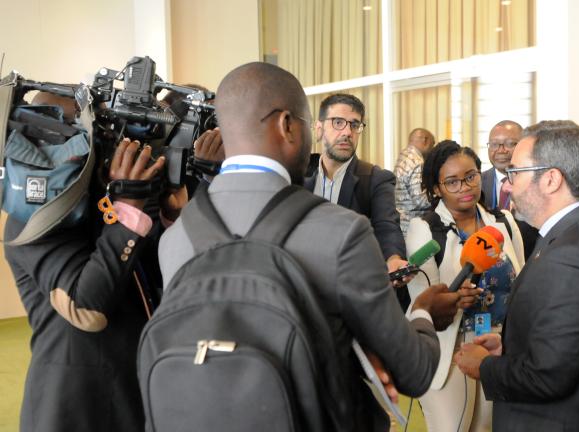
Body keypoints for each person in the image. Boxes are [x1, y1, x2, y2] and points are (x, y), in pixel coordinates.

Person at [157, 62, 456, 430]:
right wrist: (424, 313)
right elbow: (412, 371)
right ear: (288, 125)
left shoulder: (175, 237)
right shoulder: (342, 232)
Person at [4, 92, 184, 431]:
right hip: (77, 408)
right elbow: (87, 307)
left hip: (133, 393)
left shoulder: (105, 198)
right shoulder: (34, 216)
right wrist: (129, 203)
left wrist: (168, 212)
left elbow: (154, 278)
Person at [455, 120, 579, 431]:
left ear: (552, 179)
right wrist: (508, 347)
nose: (507, 185)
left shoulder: (573, 256)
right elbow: (568, 344)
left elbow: (548, 376)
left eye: (515, 173)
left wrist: (485, 366)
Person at [406, 140, 525, 432]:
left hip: (497, 348)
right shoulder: (424, 229)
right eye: (452, 182)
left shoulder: (503, 222)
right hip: (450, 350)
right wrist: (455, 299)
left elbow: (523, 281)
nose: (465, 187)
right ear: (436, 188)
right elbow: (423, 304)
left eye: (470, 177)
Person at [303, 93, 412, 309]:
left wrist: (392, 259)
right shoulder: (297, 173)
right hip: (304, 294)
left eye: (354, 125)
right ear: (318, 129)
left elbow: (386, 226)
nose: (347, 132)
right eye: (337, 123)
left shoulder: (375, 179)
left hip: (352, 298)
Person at [481, 120, 538, 260]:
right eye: (494, 144)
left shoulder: (537, 183)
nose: (501, 150)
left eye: (510, 143)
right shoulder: (477, 183)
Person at [394, 127, 436, 234]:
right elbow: (420, 201)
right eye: (432, 145)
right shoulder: (418, 161)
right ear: (425, 140)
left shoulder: (403, 156)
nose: (432, 150)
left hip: (401, 221)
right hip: (413, 225)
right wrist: (439, 196)